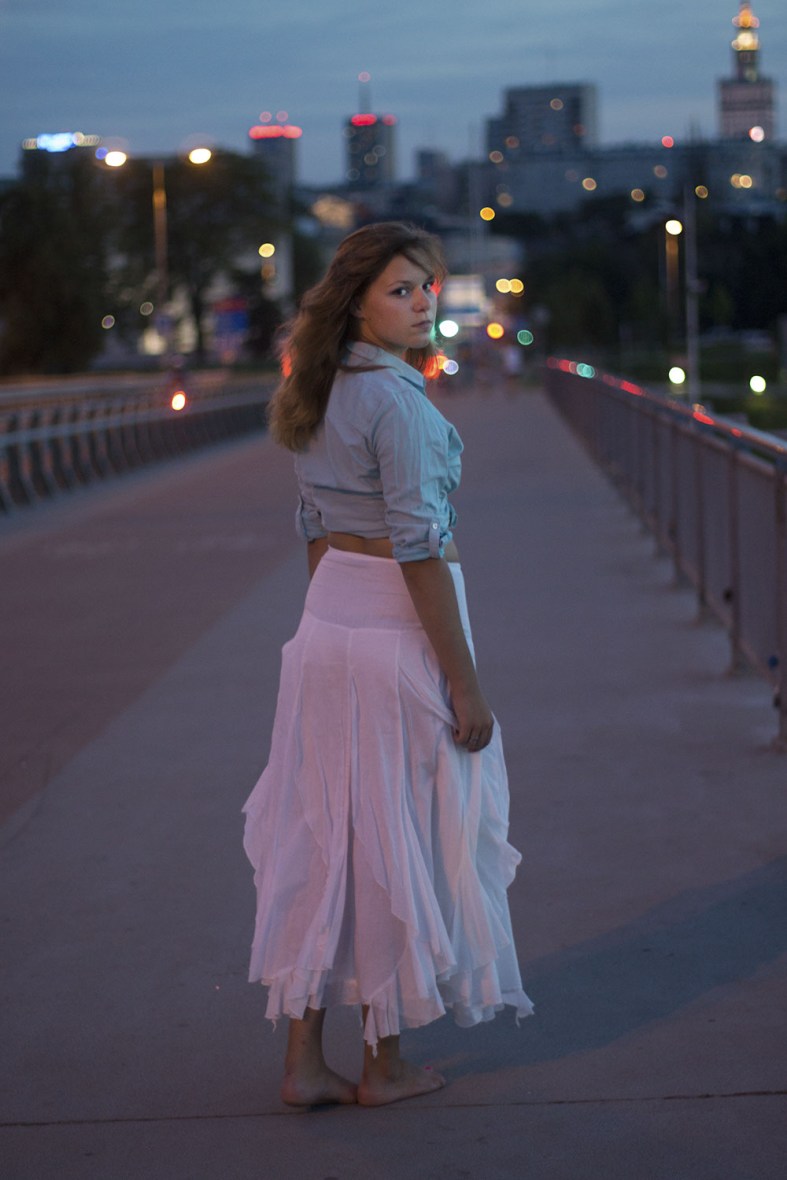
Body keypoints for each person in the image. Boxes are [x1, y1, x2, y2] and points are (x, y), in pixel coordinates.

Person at [242, 221, 533, 1109]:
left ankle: (304, 1061)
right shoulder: (397, 405)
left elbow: (314, 528)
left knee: (327, 834)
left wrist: (332, 626)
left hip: (329, 623)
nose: (421, 304)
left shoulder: (315, 386)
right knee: (392, 839)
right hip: (393, 630)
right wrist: (465, 685)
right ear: (357, 302)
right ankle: (384, 1063)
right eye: (400, 290)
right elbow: (417, 550)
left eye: (426, 287)